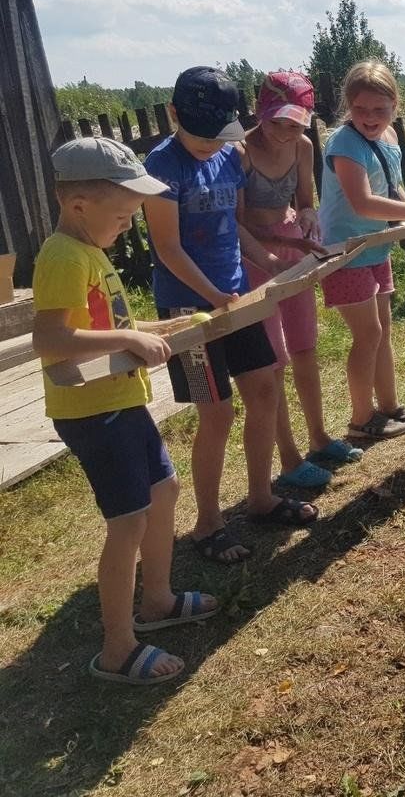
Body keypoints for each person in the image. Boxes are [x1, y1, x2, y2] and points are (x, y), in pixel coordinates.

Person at [33, 138, 218, 685]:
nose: (128, 226)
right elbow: (51, 338)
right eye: (121, 215)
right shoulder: (63, 256)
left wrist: (155, 331)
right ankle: (117, 647)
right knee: (128, 521)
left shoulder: (90, 253)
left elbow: (108, 327)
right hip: (93, 413)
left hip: (121, 402)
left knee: (164, 492)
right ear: (79, 206)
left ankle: (157, 600)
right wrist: (130, 338)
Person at [144, 66, 318, 565]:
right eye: (199, 136)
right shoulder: (161, 167)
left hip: (233, 298)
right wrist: (214, 296)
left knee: (265, 386)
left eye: (216, 136)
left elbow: (232, 228)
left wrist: (267, 262)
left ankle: (261, 498)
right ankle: (208, 524)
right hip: (187, 310)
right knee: (216, 413)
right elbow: (169, 249)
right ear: (174, 114)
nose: (207, 146)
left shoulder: (229, 156)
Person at [237, 72, 362, 488]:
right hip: (256, 260)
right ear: (261, 112)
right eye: (278, 123)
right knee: (273, 361)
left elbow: (305, 200)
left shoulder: (304, 146)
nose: (286, 134)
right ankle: (289, 460)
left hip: (297, 251)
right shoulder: (240, 152)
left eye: (296, 125)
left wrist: (307, 218)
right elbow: (237, 224)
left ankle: (319, 438)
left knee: (305, 346)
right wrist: (277, 246)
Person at [318, 59, 405, 439]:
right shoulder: (344, 143)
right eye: (360, 109)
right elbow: (363, 203)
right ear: (347, 107)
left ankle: (390, 406)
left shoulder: (388, 140)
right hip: (346, 252)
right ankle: (361, 419)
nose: (370, 118)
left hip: (376, 247)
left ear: (396, 105)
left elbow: (392, 189)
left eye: (379, 110)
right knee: (368, 334)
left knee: (383, 330)